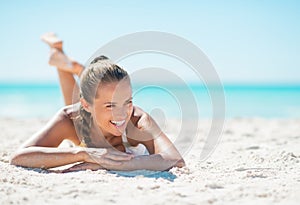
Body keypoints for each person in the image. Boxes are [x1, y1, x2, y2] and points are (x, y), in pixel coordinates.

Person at [10, 33, 185, 172]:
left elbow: (175, 159)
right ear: (85, 105)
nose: (122, 113)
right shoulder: (69, 118)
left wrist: (116, 164)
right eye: (111, 105)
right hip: (84, 118)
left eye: (128, 101)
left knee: (96, 95)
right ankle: (68, 63)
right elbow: (19, 157)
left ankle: (66, 60)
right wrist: (83, 153)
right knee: (81, 110)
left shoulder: (137, 120)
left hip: (89, 110)